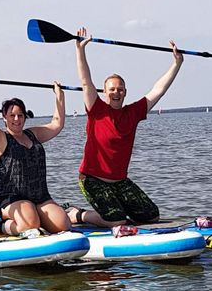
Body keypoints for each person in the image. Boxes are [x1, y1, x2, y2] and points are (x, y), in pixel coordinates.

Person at [74, 26, 183, 226]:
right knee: (117, 222)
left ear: (125, 92)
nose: (116, 92)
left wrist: (177, 64)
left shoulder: (133, 113)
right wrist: (80, 50)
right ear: (105, 92)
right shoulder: (96, 109)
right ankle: (77, 215)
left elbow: (159, 90)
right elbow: (85, 81)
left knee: (152, 216)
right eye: (112, 89)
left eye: (120, 89)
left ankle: (114, 211)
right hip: (92, 180)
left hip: (120, 182)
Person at [0, 77, 72, 235]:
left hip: (39, 195)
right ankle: (1, 226)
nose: (17, 119)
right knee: (30, 226)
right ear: (4, 117)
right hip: (9, 196)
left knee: (64, 225)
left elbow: (57, 124)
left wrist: (59, 95)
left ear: (25, 116)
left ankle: (35, 215)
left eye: (20, 115)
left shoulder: (33, 134)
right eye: (12, 115)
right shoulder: (0, 138)